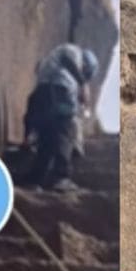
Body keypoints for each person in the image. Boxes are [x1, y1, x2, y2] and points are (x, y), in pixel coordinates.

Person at [24, 43, 98, 192]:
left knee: (48, 140)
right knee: (66, 131)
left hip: (42, 96)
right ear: (85, 64)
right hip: (58, 92)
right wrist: (82, 83)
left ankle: (35, 180)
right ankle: (60, 178)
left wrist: (28, 132)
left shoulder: (51, 62)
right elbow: (66, 59)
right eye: (86, 72)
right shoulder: (72, 51)